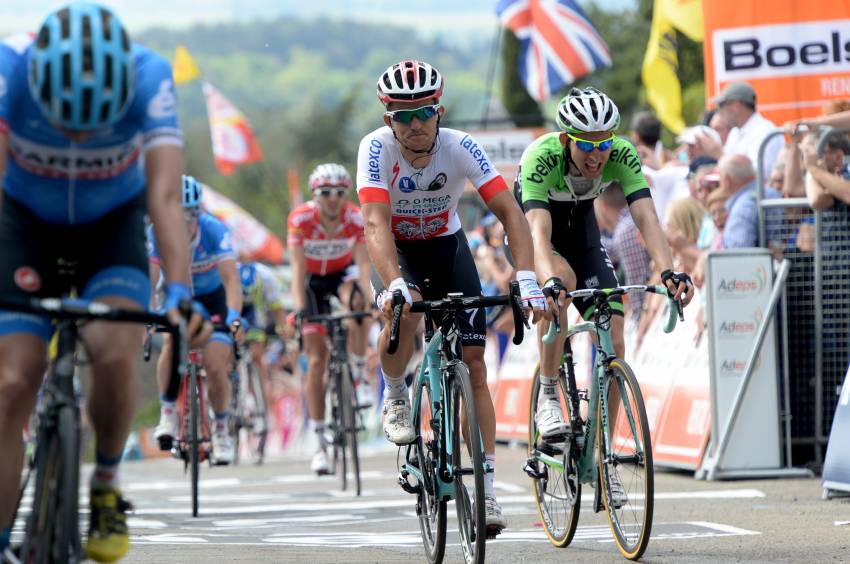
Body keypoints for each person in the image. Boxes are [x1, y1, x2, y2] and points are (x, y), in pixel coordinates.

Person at [0, 4, 206, 561]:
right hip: (24, 226)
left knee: (115, 355)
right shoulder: (8, 68)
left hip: (110, 229)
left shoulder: (149, 75)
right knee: (13, 380)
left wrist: (181, 291)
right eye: (65, 122)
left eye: (93, 125)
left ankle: (107, 484)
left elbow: (164, 197)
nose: (77, 135)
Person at [356, 59, 546, 533]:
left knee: (475, 363)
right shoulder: (375, 150)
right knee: (407, 313)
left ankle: (488, 487)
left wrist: (523, 277)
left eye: (424, 112)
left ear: (438, 112)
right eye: (404, 115)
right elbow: (375, 222)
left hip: (446, 247)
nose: (416, 123)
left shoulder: (462, 147)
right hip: (397, 249)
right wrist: (393, 283)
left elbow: (510, 213)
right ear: (388, 120)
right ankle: (397, 392)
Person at [514, 87, 692, 507]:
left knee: (614, 330)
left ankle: (603, 452)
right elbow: (538, 234)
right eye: (588, 146)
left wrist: (667, 271)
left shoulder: (623, 154)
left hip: (584, 235)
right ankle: (547, 393)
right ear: (565, 140)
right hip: (537, 236)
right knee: (563, 280)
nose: (597, 155)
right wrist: (549, 282)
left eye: (604, 145)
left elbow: (646, 216)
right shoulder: (543, 157)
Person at [149, 175, 243, 465]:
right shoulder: (157, 232)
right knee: (170, 340)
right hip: (176, 296)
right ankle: (167, 414)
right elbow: (151, 279)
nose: (186, 222)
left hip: (212, 297)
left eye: (191, 214)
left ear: (199, 212)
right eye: (179, 214)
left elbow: (231, 279)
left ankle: (221, 429)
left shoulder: (213, 229)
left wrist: (233, 317)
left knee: (215, 365)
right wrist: (148, 315)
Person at [287, 162, 374, 476]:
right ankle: (320, 444)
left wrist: (369, 299)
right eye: (326, 192)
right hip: (311, 282)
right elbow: (297, 269)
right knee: (316, 362)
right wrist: (299, 308)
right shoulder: (300, 219)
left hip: (341, 276)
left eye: (340, 192)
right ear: (315, 195)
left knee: (360, 303)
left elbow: (364, 266)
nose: (333, 198)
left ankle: (361, 375)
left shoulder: (354, 217)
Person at [239, 260, 288, 410]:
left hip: (255, 317)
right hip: (234, 314)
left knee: (257, 355)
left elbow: (276, 307)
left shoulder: (265, 275)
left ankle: (261, 399)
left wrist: (284, 329)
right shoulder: (228, 271)